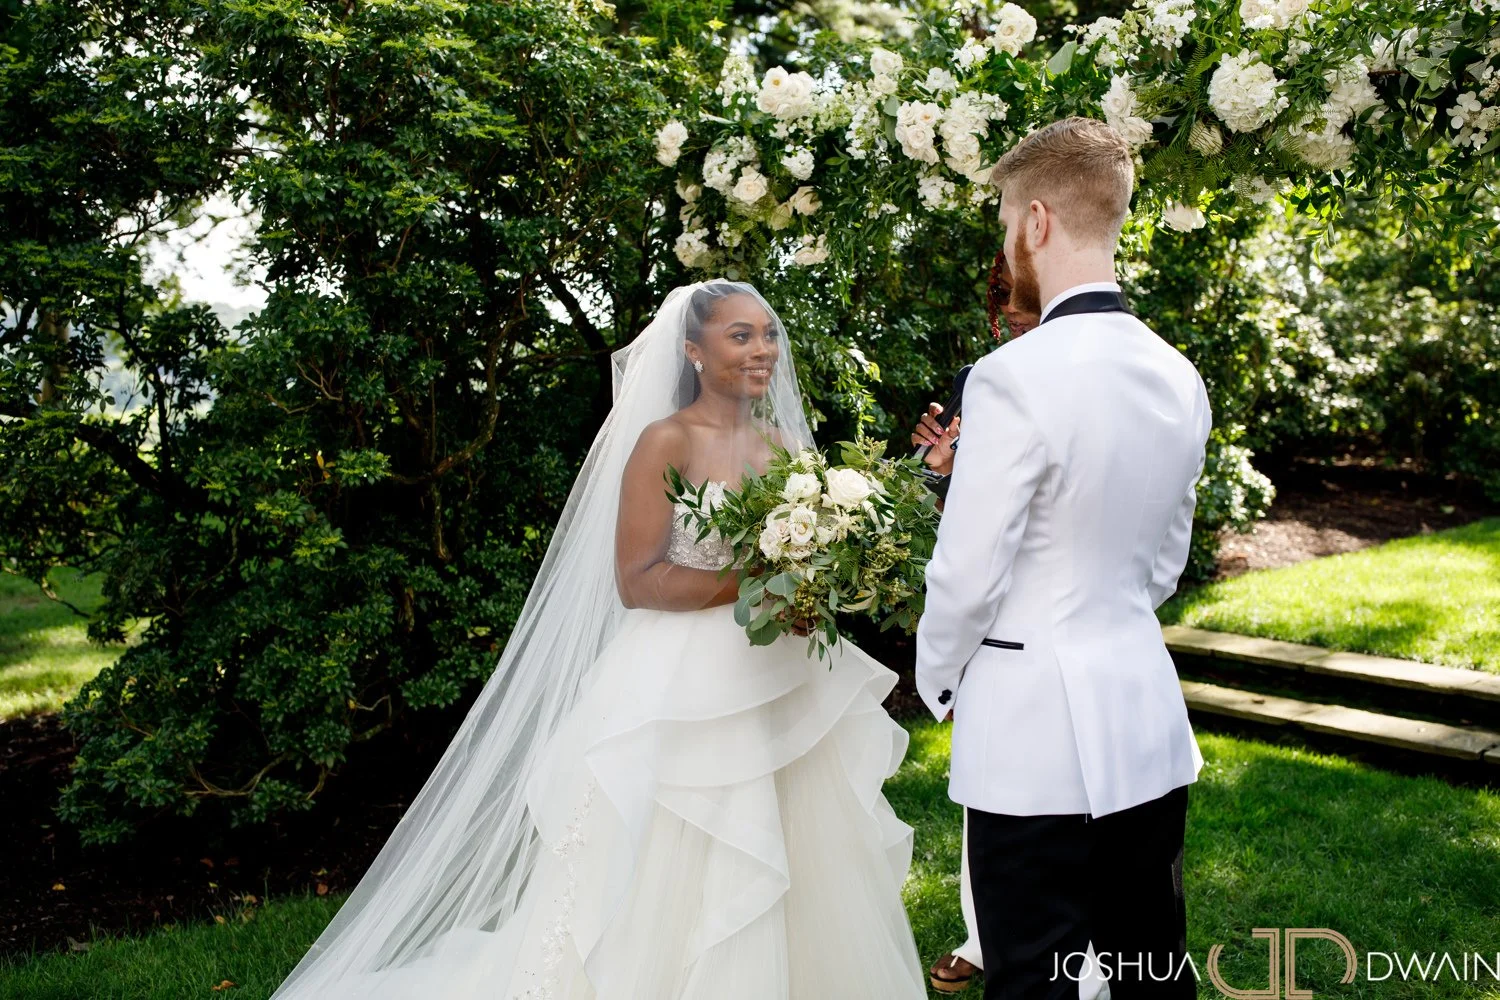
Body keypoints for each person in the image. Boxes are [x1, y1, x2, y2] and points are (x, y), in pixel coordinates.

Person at [267, 280, 929, 1000]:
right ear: (693, 350)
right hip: (682, 681)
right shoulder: (665, 440)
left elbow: (810, 559)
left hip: (778, 674)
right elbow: (638, 579)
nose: (762, 350)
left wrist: (813, 586)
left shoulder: (786, 445)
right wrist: (757, 578)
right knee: (680, 847)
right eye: (740, 336)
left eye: (768, 334)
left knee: (798, 839)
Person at [915, 117, 1211, 1000]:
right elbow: (1165, 563)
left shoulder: (1012, 377)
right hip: (1145, 720)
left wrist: (938, 677)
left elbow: (967, 574)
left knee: (1033, 976)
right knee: (1149, 968)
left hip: (1029, 734)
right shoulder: (1177, 373)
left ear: (1036, 221)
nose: (1010, 239)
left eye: (1009, 218)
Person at [909, 251, 1105, 1000]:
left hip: (1053, 619)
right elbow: (956, 515)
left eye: (1018, 296)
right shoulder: (978, 381)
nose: (1010, 311)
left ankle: (1068, 959)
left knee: (1062, 823)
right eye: (1000, 300)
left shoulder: (1095, 370)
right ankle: (981, 934)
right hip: (997, 631)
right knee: (991, 814)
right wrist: (937, 468)